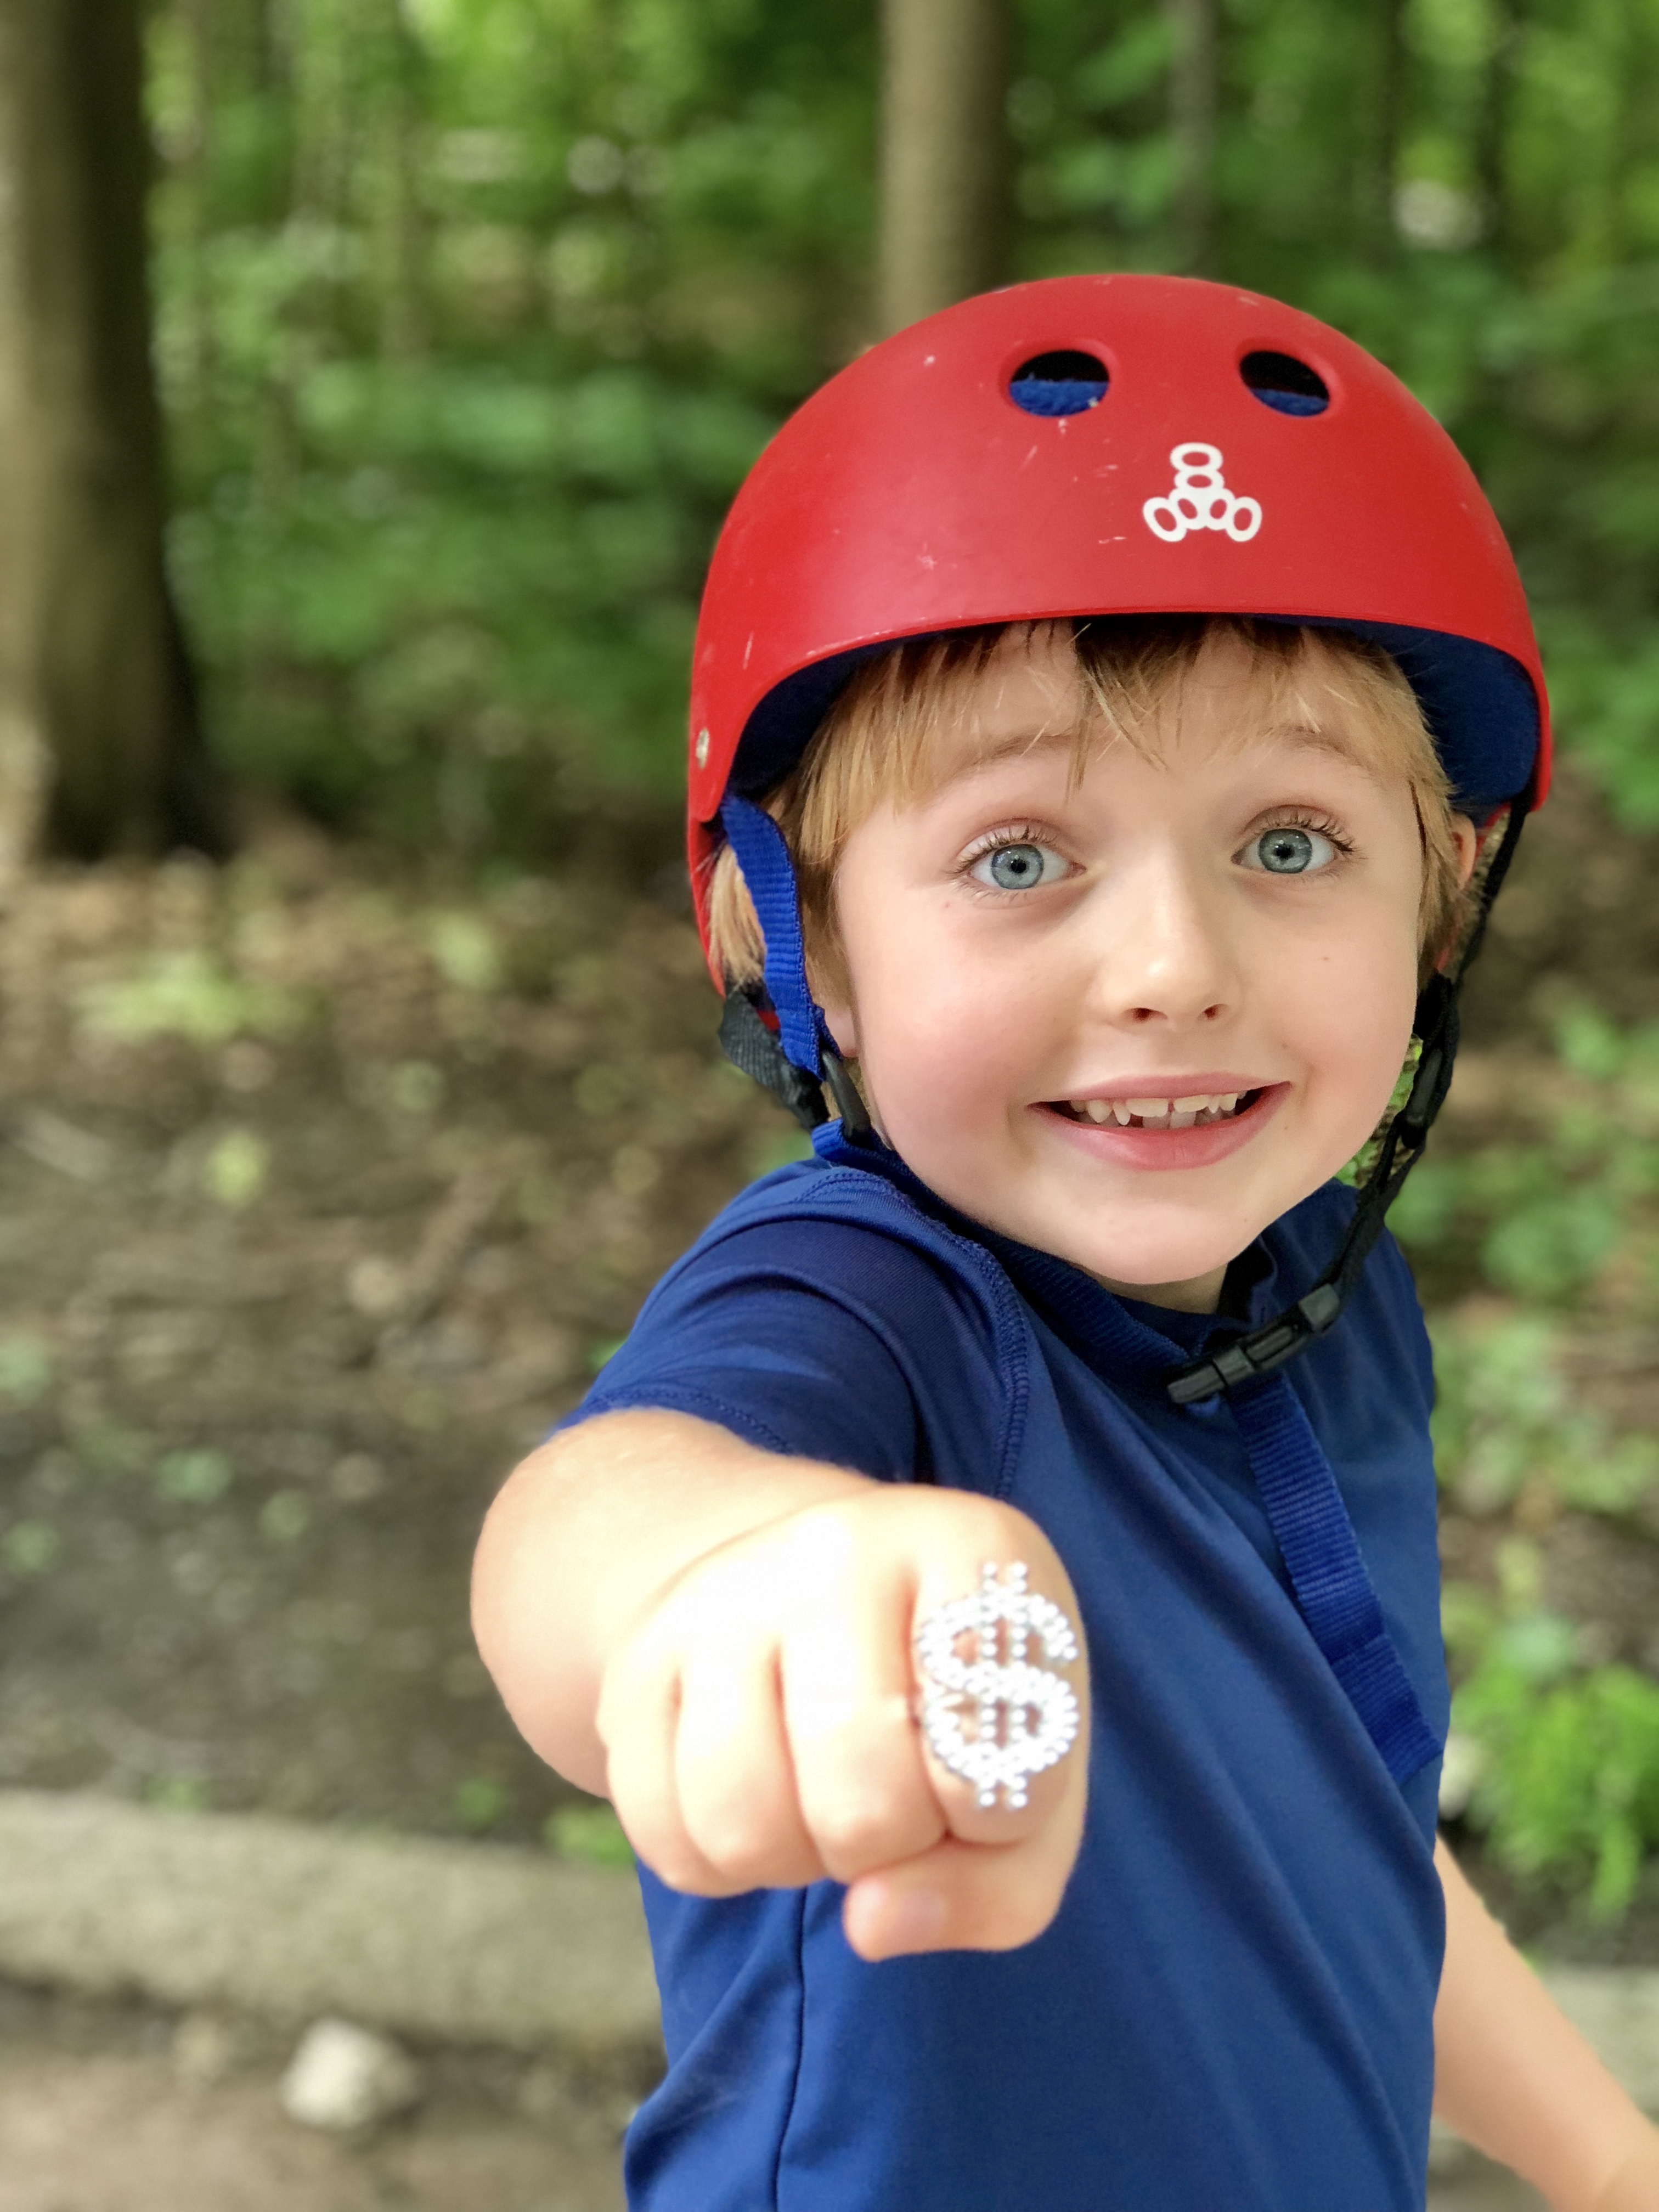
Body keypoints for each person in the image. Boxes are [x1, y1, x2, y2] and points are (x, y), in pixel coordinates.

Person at [473, 276, 1659, 2210]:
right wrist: (750, 1577)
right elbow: (589, 1527)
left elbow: (1328, 1834)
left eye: (1290, 844)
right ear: (798, 937)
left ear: (1443, 892)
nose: (1174, 968)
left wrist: (1609, 2161)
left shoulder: (1330, 1298)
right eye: (1019, 859)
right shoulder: (880, 1306)